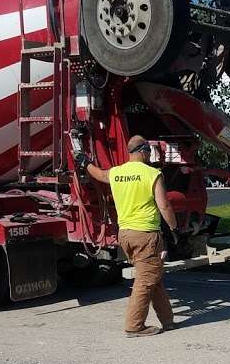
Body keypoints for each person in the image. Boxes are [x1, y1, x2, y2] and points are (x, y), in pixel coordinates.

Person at [76, 136, 179, 337]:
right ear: (144, 151)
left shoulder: (117, 172)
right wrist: (175, 230)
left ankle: (168, 321)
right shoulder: (152, 174)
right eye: (148, 151)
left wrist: (85, 162)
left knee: (152, 276)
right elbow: (164, 205)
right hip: (145, 234)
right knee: (145, 280)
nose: (149, 155)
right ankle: (134, 325)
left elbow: (99, 174)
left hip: (125, 235)